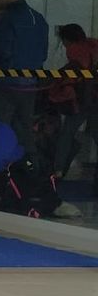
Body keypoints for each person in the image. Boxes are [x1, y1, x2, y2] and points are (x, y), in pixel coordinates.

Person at [0, 0, 50, 153]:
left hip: (6, 83)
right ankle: (29, 172)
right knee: (25, 131)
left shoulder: (6, 19)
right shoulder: (39, 19)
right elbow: (43, 53)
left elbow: (0, 51)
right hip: (30, 86)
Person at [54, 23, 98, 183]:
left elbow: (72, 74)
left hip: (83, 99)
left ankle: (58, 171)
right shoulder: (93, 45)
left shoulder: (74, 50)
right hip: (95, 98)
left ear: (67, 39)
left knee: (66, 134)